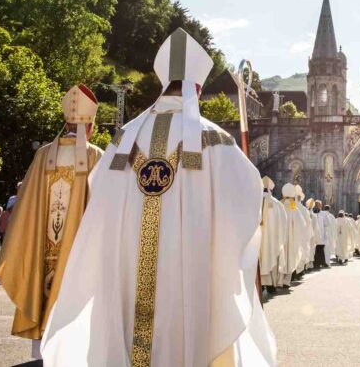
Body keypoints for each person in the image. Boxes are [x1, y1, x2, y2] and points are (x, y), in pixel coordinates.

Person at [41, 29, 275, 366]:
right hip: (189, 271)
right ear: (198, 86)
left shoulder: (124, 138)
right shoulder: (214, 139)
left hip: (126, 267)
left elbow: (99, 198)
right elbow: (244, 206)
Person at [0, 85, 102, 358]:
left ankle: (43, 353)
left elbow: (25, 209)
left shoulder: (43, 155)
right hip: (76, 253)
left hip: (42, 252)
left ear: (65, 122)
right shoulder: (95, 156)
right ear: (89, 126)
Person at [259, 176, 287, 289]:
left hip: (257, 238)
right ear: (271, 189)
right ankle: (271, 284)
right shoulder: (277, 204)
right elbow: (283, 222)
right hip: (272, 237)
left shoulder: (254, 200)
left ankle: (259, 284)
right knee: (272, 254)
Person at [279, 183, 308, 286]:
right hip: (292, 240)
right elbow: (302, 225)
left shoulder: (279, 206)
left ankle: (279, 281)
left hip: (279, 239)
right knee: (290, 257)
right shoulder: (294, 209)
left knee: (280, 257)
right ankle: (287, 281)